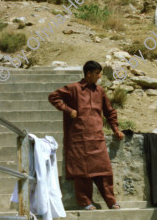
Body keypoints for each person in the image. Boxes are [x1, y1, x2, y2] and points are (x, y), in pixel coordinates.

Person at [48, 60, 124, 210]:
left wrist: (115, 128)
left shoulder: (100, 91)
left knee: (105, 170)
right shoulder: (73, 89)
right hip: (78, 138)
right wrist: (68, 110)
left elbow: (109, 111)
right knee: (82, 172)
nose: (100, 76)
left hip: (97, 137)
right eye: (97, 73)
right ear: (88, 73)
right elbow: (53, 97)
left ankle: (111, 201)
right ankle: (85, 202)